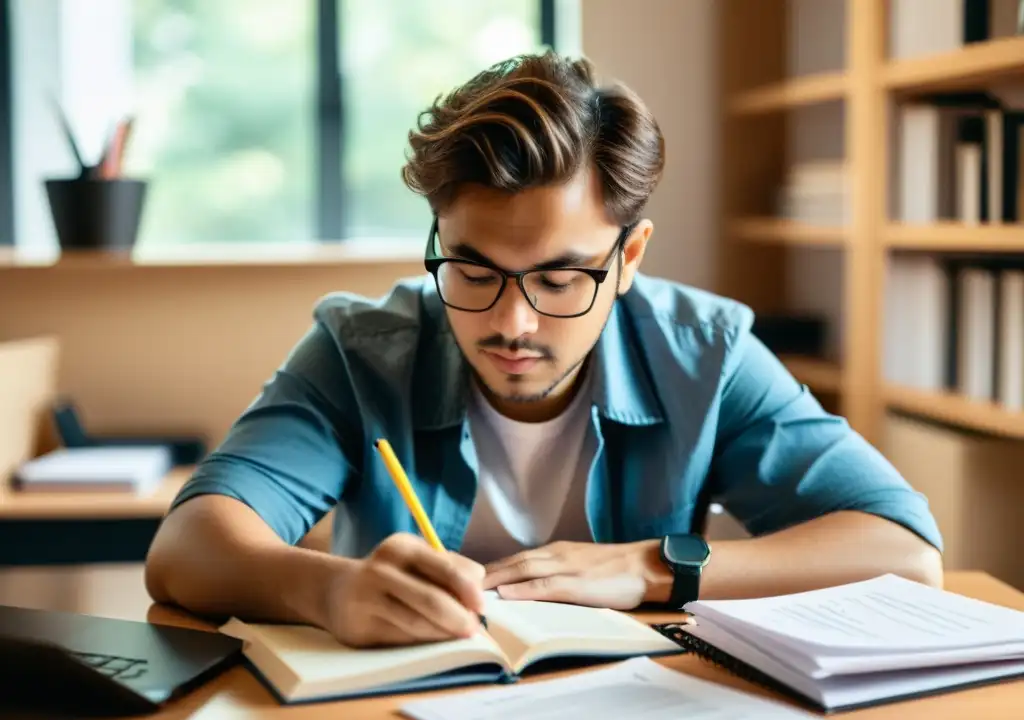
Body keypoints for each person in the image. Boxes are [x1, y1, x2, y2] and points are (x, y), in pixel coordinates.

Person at [145, 51, 943, 650]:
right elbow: (186, 547)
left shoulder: (704, 354)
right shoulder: (362, 350)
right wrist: (331, 592)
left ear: (628, 260)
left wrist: (653, 569)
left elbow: (904, 552)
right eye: (473, 270)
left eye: (561, 278)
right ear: (438, 240)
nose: (515, 323)